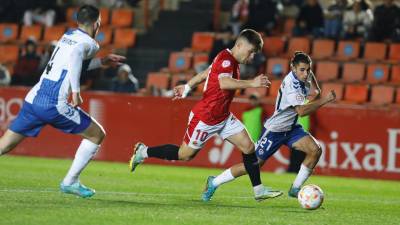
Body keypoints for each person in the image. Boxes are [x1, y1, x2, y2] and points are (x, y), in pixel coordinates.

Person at [129, 29, 283, 201]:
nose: (252, 57)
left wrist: (187, 87)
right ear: (239, 46)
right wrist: (252, 83)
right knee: (185, 155)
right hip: (205, 118)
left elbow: (205, 74)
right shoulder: (226, 60)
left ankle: (258, 191)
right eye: (251, 52)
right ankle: (143, 152)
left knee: (249, 148)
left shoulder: (227, 59)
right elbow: (224, 83)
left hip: (223, 117)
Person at [0, 5, 125, 198]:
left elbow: (72, 62)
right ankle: (70, 182)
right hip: (53, 103)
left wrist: (101, 62)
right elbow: (75, 56)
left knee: (4, 145)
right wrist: (75, 92)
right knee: (96, 135)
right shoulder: (91, 43)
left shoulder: (68, 35)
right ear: (97, 23)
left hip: (34, 98)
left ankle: (71, 182)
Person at [202, 51, 336, 201]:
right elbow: (302, 111)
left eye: (308, 69)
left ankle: (295, 189)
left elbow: (315, 92)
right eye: (302, 70)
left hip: (291, 128)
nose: (306, 73)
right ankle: (214, 182)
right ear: (293, 68)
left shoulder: (306, 76)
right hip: (274, 130)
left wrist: (316, 90)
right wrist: (325, 100)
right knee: (253, 165)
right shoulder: (291, 84)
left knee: (315, 150)